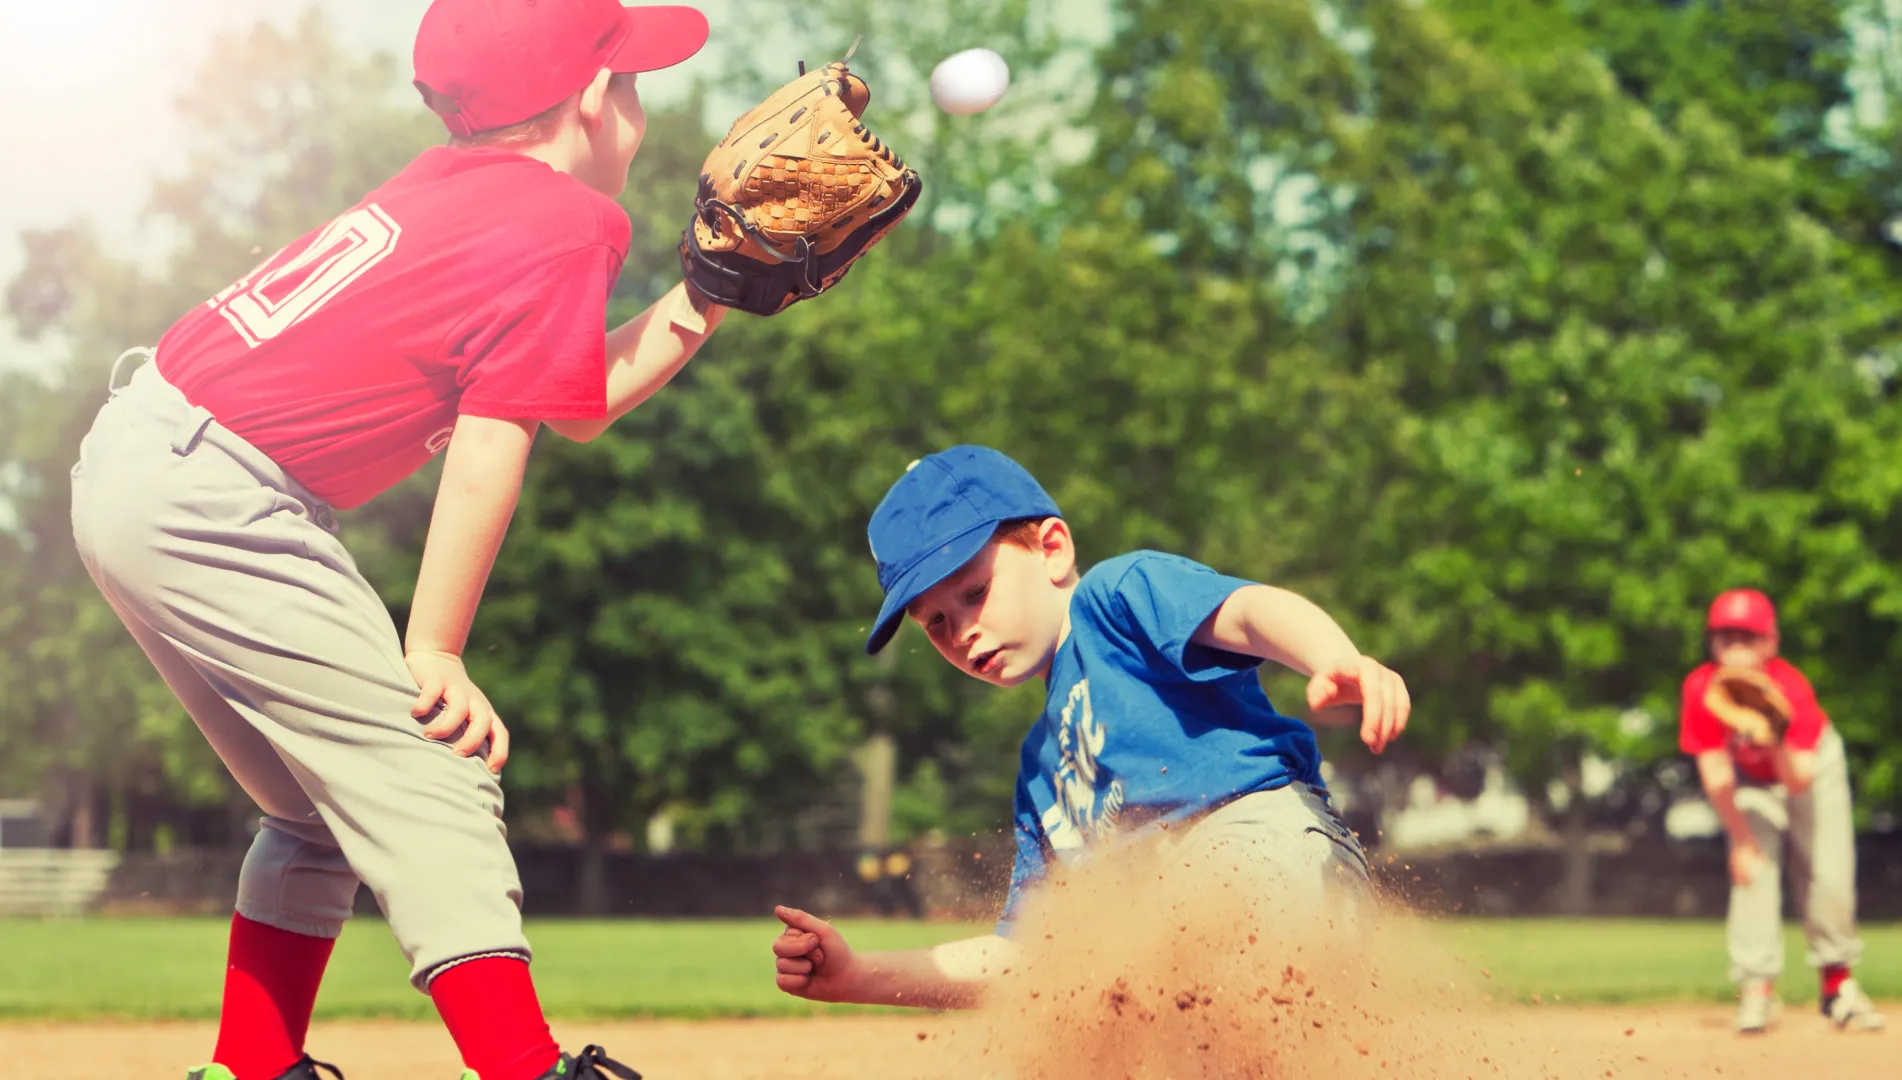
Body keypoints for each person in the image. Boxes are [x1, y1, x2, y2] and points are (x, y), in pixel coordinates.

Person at [71, 2, 727, 1077]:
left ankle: (251, 1066)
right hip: (216, 495)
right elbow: (492, 443)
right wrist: (434, 648)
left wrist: (709, 295)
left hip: (143, 462)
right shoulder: (568, 220)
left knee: (315, 810)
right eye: (633, 84)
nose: (639, 107)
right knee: (435, 763)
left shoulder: (452, 188)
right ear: (599, 99)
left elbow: (576, 395)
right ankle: (522, 1065)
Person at [767, 445, 1410, 1008]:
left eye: (972, 592)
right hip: (1175, 936)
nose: (961, 631)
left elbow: (1246, 612)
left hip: (1266, 849)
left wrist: (1331, 656)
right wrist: (859, 976)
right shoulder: (1041, 775)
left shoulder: (1117, 598)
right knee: (1086, 980)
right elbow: (1029, 960)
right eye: (934, 622)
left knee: (1150, 949)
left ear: (1052, 548)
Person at [1678, 588, 1884, 1035]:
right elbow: (1715, 771)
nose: (1734, 646)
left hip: (1809, 768)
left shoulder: (1790, 688)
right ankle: (1756, 991)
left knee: (1827, 873)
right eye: (1725, 635)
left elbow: (1798, 779)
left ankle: (1838, 987)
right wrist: (1741, 839)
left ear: (1770, 642)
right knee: (1752, 870)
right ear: (1712, 642)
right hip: (1749, 783)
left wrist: (1773, 734)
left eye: (1746, 637)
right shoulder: (1701, 688)